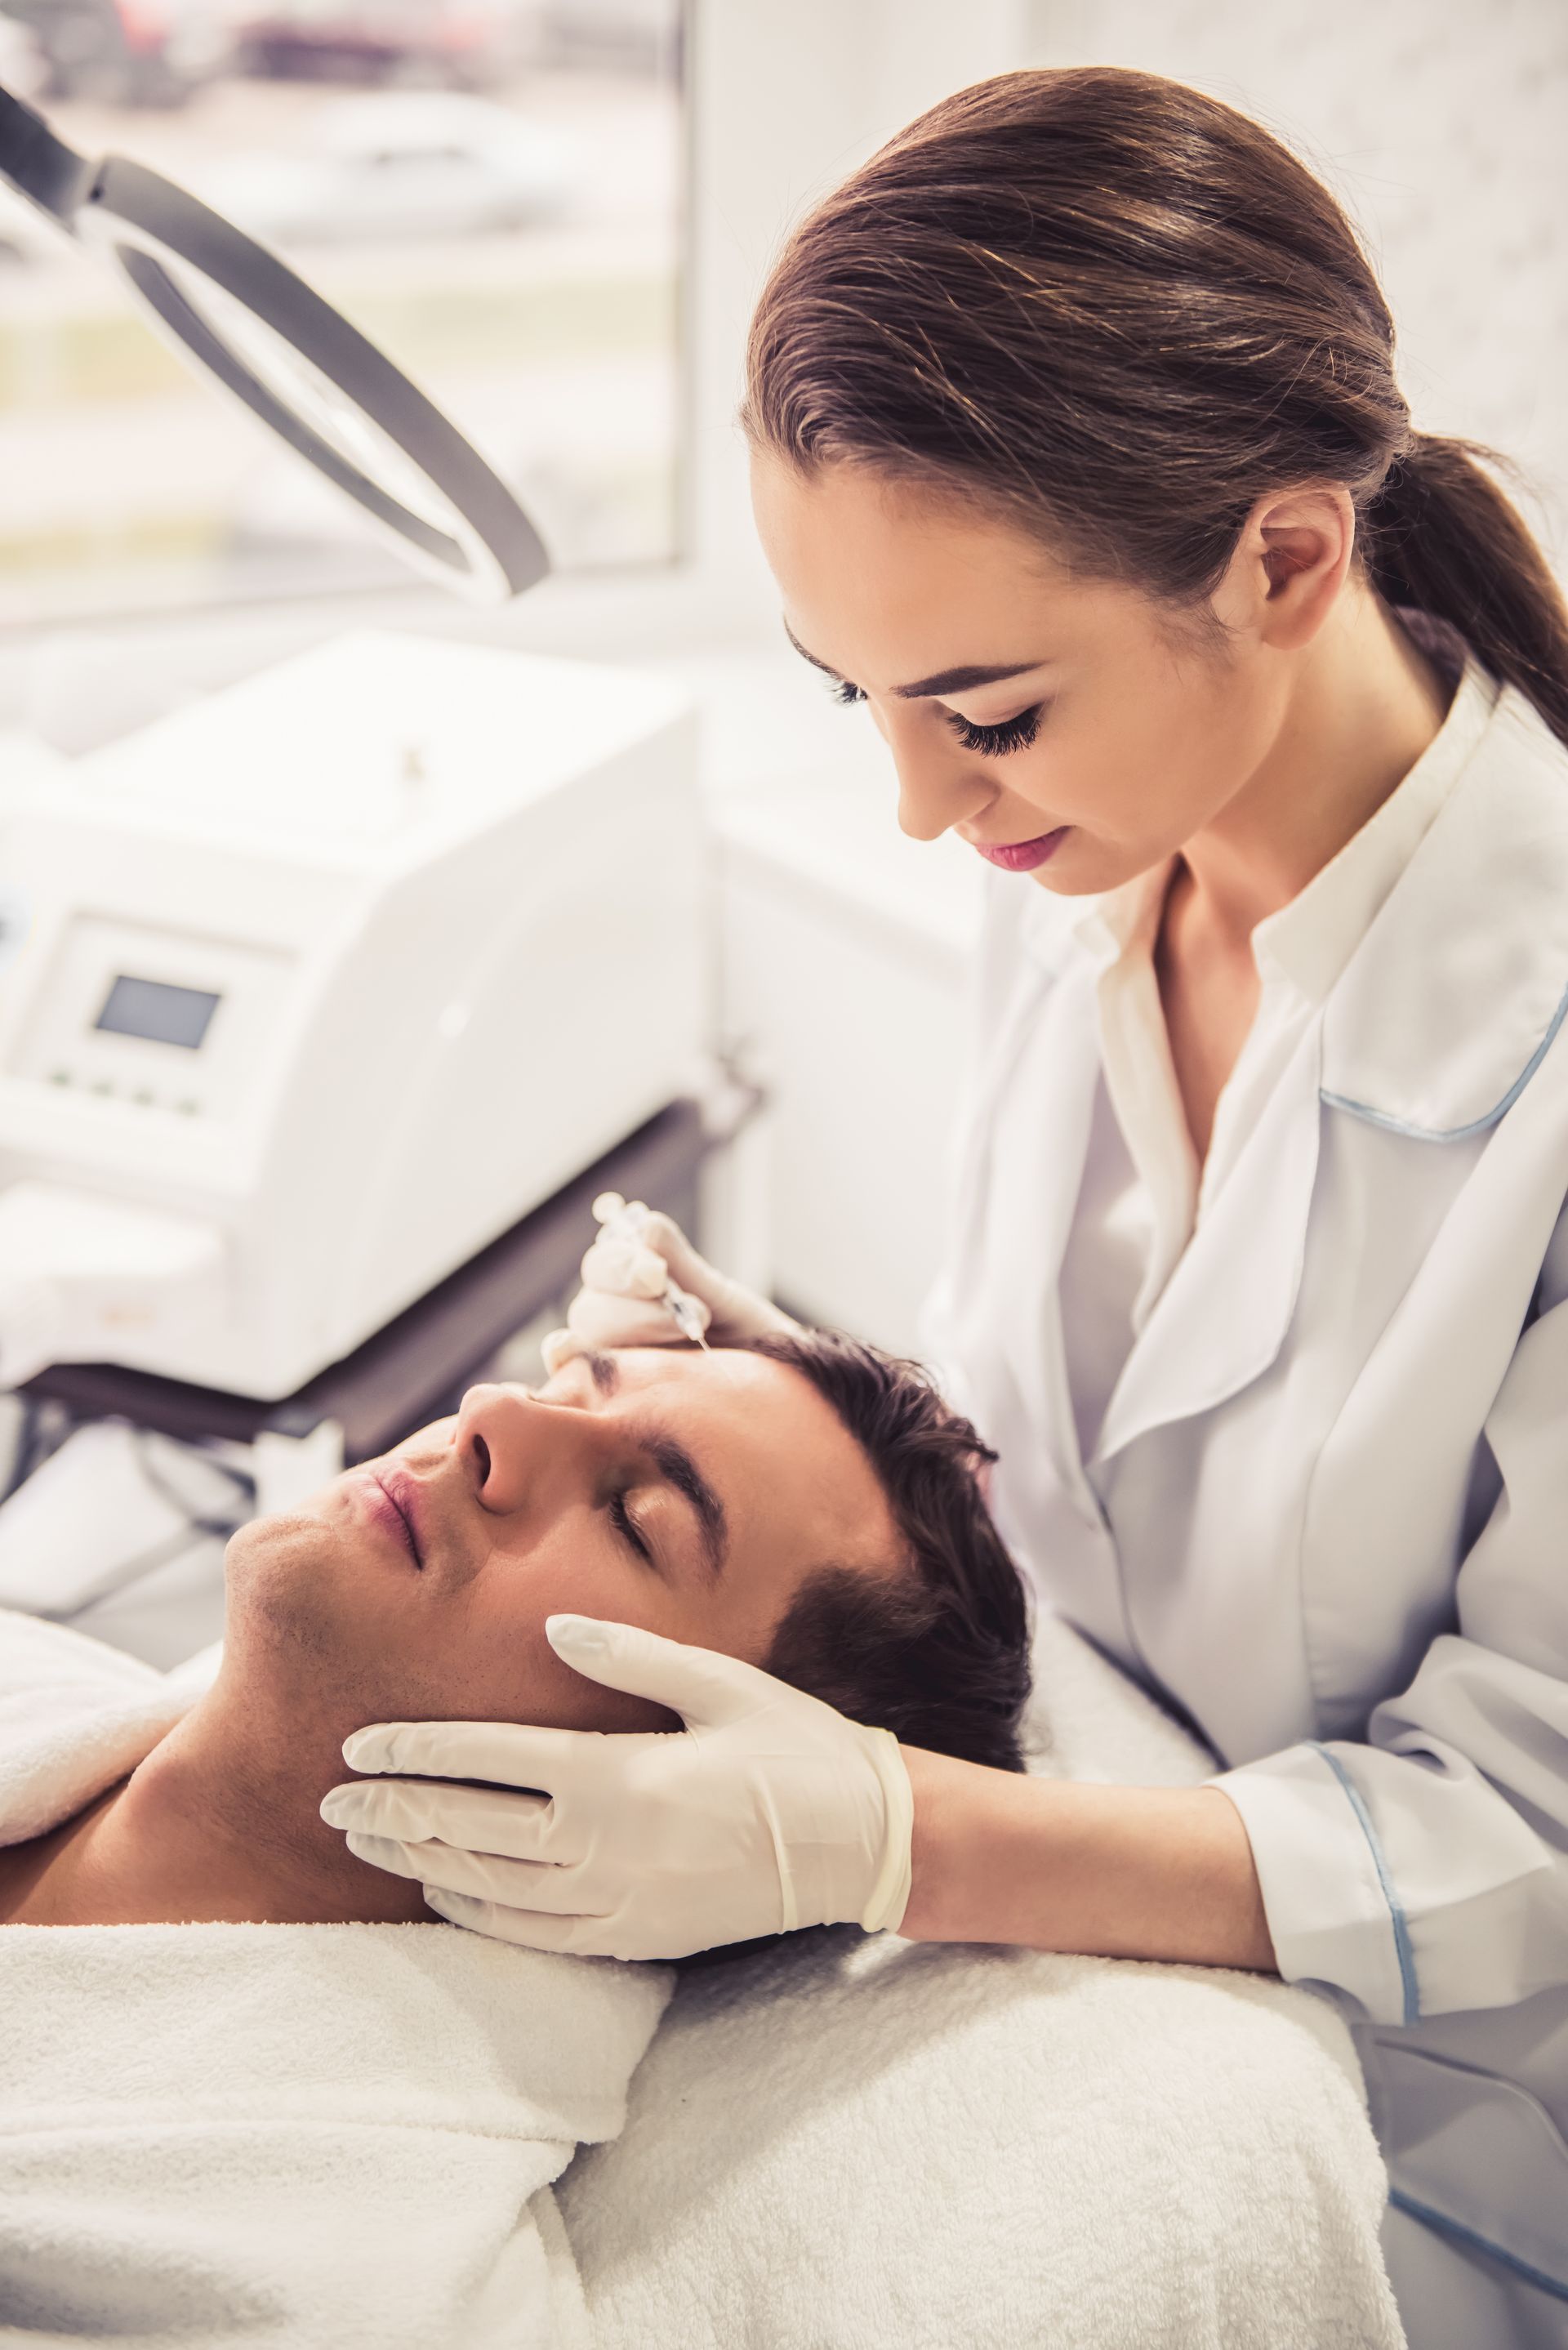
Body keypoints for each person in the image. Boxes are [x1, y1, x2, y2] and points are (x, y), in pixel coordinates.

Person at [325, 66, 1568, 2350]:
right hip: (1092, 1976)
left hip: (1460, 2168)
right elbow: (1086, 1448)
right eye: (859, 696)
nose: (912, 804)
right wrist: (795, 1388)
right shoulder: (1089, 863)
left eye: (980, 707)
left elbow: (1533, 1829)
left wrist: (880, 1834)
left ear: (1288, 558)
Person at [2, 1330, 1029, 1930]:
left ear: (684, 1783)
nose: (493, 1410)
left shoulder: (309, 2252)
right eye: (559, 1390)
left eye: (637, 1520)